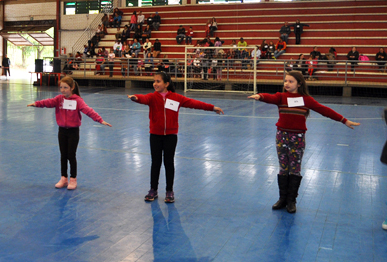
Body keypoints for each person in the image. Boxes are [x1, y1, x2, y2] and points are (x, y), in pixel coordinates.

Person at [248, 71, 359, 213]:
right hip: (281, 136)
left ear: (299, 84)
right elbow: (270, 97)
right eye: (286, 81)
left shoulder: (306, 100)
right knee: (283, 168)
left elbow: (325, 110)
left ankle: (291, 201)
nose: (287, 84)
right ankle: (282, 199)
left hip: (297, 137)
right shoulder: (281, 97)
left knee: (295, 168)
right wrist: (260, 96)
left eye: (291, 81)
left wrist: (344, 120)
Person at [128, 72, 224, 203]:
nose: (155, 84)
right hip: (155, 135)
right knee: (155, 163)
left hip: (171, 136)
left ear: (166, 84)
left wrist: (212, 108)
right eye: (154, 81)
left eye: (158, 81)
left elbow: (194, 103)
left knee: (169, 163)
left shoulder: (176, 98)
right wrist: (136, 97)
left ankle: (169, 191)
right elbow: (143, 98)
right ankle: (153, 190)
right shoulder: (152, 97)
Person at [28, 76, 112, 190]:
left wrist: (100, 120)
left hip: (73, 131)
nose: (62, 90)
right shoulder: (59, 99)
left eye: (65, 87)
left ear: (72, 88)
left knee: (71, 155)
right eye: (61, 87)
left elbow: (88, 110)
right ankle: (63, 178)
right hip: (62, 131)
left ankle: (73, 179)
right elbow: (48, 102)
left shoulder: (78, 101)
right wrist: (37, 103)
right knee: (63, 155)